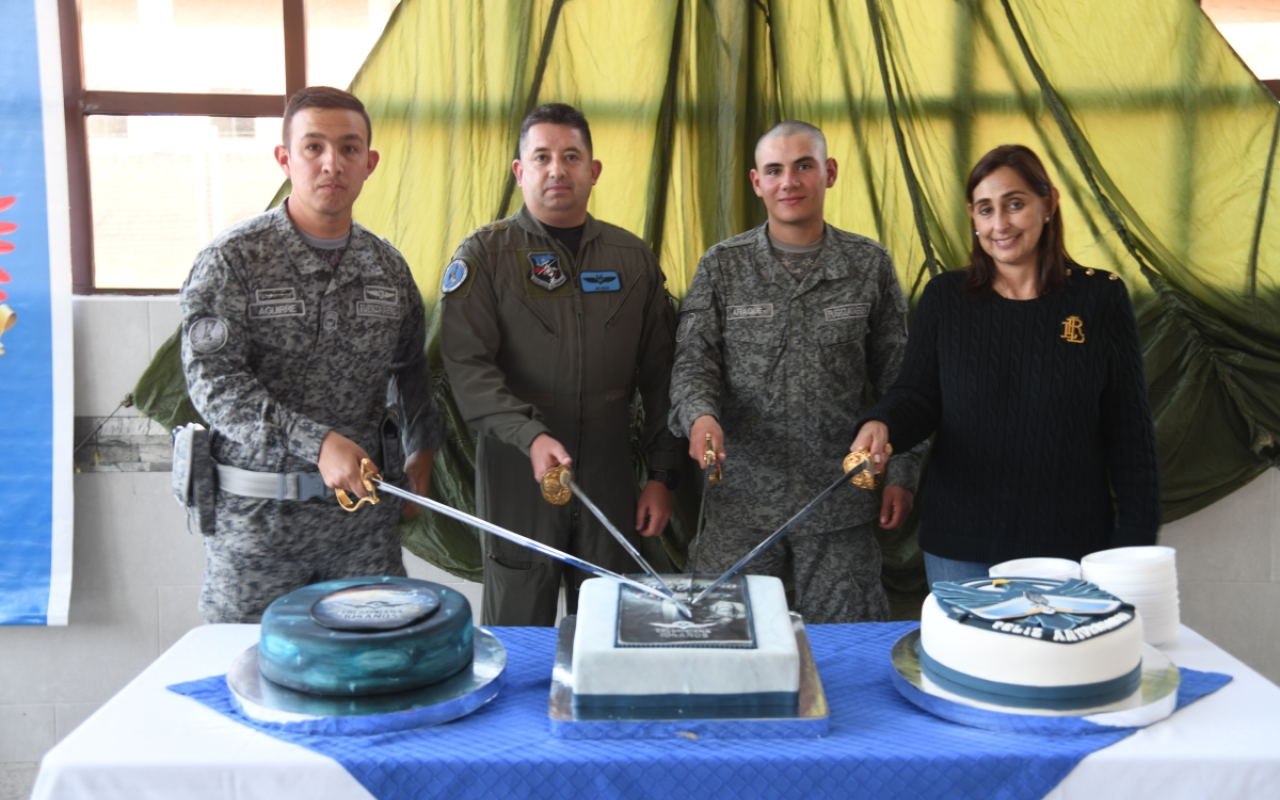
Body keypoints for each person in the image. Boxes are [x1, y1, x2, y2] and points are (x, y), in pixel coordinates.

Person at [180, 86, 445, 623]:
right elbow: (215, 384)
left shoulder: (387, 269)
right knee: (249, 678)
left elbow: (410, 370)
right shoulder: (234, 261)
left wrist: (423, 449)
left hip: (361, 533)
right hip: (258, 530)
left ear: (369, 163)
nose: (332, 163)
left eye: (349, 149)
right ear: (284, 158)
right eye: (313, 147)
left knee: (374, 674)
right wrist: (318, 442)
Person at [851, 144, 1161, 586]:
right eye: (985, 209)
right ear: (973, 219)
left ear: (1048, 204)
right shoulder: (945, 298)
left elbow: (1130, 430)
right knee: (968, 658)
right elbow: (917, 397)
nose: (1000, 224)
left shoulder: (1101, 298)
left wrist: (1133, 540)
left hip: (1071, 549)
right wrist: (882, 423)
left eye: (1015, 204)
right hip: (961, 547)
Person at [669, 120, 925, 624]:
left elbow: (903, 379)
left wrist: (903, 470)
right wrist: (700, 416)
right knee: (723, 644)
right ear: (756, 182)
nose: (789, 181)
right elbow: (693, 361)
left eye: (803, 166)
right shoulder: (723, 267)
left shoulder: (867, 264)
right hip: (741, 505)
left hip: (838, 504)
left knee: (847, 653)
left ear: (828, 172)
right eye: (775, 170)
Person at [439, 103, 681, 626]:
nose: (557, 169)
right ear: (519, 171)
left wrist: (661, 475)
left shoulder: (631, 258)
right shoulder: (485, 256)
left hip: (610, 475)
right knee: (519, 632)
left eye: (571, 156)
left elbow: (663, 375)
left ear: (593, 171)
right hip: (516, 472)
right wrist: (528, 435)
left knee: (609, 628)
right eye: (542, 156)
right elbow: (468, 369)